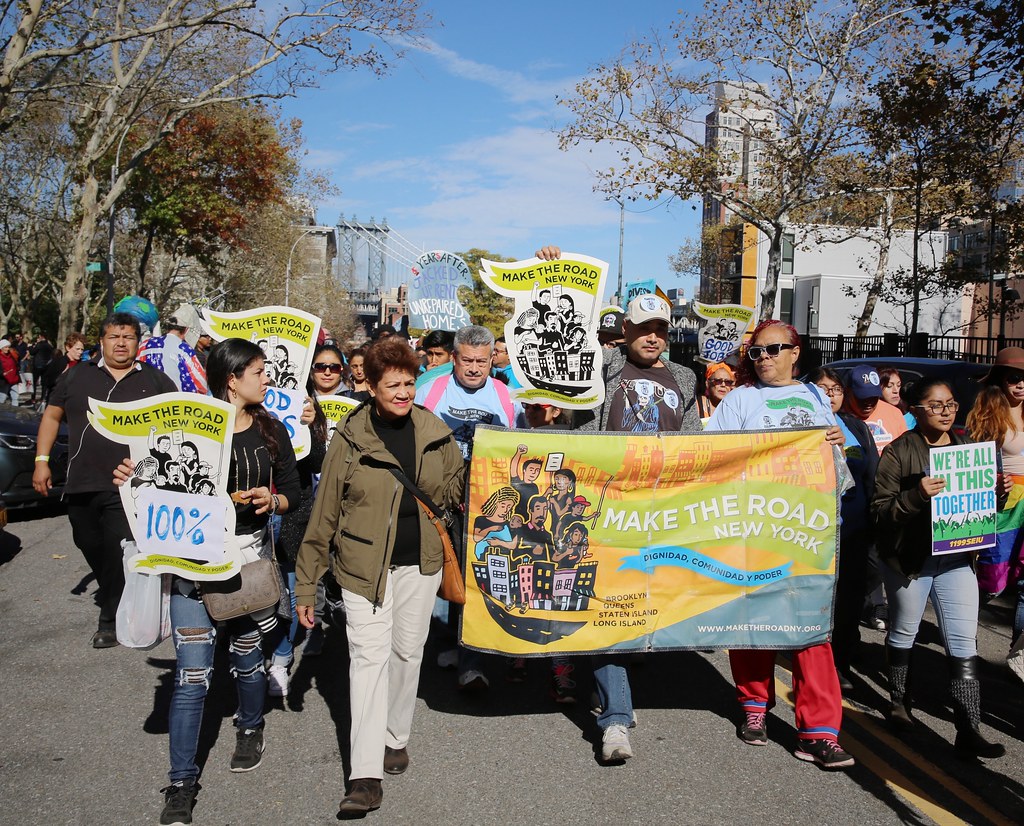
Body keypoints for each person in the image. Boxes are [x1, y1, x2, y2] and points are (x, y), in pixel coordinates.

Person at [118, 337, 300, 825]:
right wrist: (131, 476)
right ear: (232, 379)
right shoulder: (185, 429)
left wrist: (271, 501)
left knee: (246, 657)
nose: (268, 380)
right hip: (191, 573)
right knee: (191, 677)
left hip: (245, 567)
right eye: (259, 372)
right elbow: (150, 479)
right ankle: (180, 783)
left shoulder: (271, 431)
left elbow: (295, 495)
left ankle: (249, 726)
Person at [295, 336, 464, 816]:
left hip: (421, 566)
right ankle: (364, 775)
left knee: (407, 654)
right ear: (369, 385)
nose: (404, 392)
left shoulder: (434, 430)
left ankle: (397, 736)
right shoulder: (349, 437)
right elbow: (323, 514)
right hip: (362, 568)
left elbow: (453, 488)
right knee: (368, 662)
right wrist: (306, 582)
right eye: (394, 385)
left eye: (410, 383)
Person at [559, 246, 699, 763]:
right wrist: (549, 267)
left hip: (659, 513)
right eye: (644, 327)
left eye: (661, 327)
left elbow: (693, 447)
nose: (653, 336)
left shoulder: (684, 379)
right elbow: (558, 332)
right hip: (606, 509)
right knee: (605, 611)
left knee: (640, 612)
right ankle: (616, 719)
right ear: (625, 330)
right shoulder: (602, 367)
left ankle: (606, 687)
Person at [706, 319, 854, 769]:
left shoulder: (815, 397)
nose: (764, 358)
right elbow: (711, 457)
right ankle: (754, 707)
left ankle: (820, 732)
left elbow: (839, 464)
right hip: (755, 529)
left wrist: (834, 441)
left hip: (809, 531)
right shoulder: (741, 400)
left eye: (773, 350)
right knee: (754, 617)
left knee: (813, 631)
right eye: (756, 352)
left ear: (795, 352)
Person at [872, 376, 1005, 759]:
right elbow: (882, 512)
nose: (946, 412)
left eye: (950, 404)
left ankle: (968, 726)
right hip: (909, 559)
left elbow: (977, 511)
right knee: (904, 631)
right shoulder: (899, 451)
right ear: (917, 411)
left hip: (956, 558)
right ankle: (899, 704)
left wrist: (992, 494)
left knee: (964, 641)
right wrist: (916, 496)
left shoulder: (967, 448)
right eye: (936, 405)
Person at [32, 312, 177, 647]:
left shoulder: (155, 381)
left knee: (116, 550)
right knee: (89, 543)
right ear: (101, 342)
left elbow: (176, 424)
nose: (121, 343)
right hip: (81, 480)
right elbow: (52, 417)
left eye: (128, 337)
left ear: (138, 343)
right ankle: (119, 592)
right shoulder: (75, 377)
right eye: (115, 336)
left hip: (130, 485)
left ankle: (109, 620)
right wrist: (42, 461)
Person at [415, 324, 524, 692]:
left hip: (486, 504)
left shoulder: (507, 398)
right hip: (438, 501)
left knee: (477, 577)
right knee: (440, 575)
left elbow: (521, 446)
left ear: (492, 358)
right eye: (467, 361)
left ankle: (472, 661)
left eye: (482, 360)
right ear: (455, 359)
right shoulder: (429, 393)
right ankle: (449, 640)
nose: (475, 368)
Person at [808, 366, 879, 691]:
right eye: (822, 390)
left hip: (854, 529)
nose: (830, 396)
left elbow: (872, 474)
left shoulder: (856, 427)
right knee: (820, 600)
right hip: (814, 532)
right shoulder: (803, 429)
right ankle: (814, 666)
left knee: (850, 600)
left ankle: (842, 663)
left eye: (835, 390)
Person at [965, 346, 1024, 680]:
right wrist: (992, 483)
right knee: (993, 581)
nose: (1020, 385)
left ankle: (1019, 655)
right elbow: (974, 463)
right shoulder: (989, 412)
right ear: (1001, 380)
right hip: (1004, 504)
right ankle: (963, 631)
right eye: (1014, 378)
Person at [137, 304, 208, 394]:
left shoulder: (145, 344)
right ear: (186, 330)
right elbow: (201, 384)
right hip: (174, 404)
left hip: (145, 401)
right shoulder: (184, 349)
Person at [841, 363, 907, 454]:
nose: (868, 403)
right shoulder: (838, 417)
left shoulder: (894, 413)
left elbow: (905, 451)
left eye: (873, 397)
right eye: (862, 397)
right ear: (848, 392)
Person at [40, 333, 86, 405]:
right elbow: (46, 382)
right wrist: (61, 377)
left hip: (74, 403)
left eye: (82, 349)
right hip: (57, 402)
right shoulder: (59, 362)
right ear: (68, 348)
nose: (80, 352)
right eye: (77, 349)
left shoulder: (82, 365)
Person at [29, 331, 54, 402]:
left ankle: (33, 397)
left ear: (41, 336)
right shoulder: (49, 345)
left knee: (34, 381)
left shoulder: (39, 344)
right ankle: (42, 398)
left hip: (37, 365)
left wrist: (30, 347)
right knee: (44, 383)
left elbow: (32, 352)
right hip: (46, 366)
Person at [0, 338, 20, 404]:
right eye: (5, 347)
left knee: (16, 398)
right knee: (2, 399)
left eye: (8, 347)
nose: (7, 349)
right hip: (4, 381)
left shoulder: (11, 355)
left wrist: (18, 379)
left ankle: (15, 412)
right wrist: (3, 373)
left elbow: (16, 366)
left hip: (14, 380)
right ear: (1, 348)